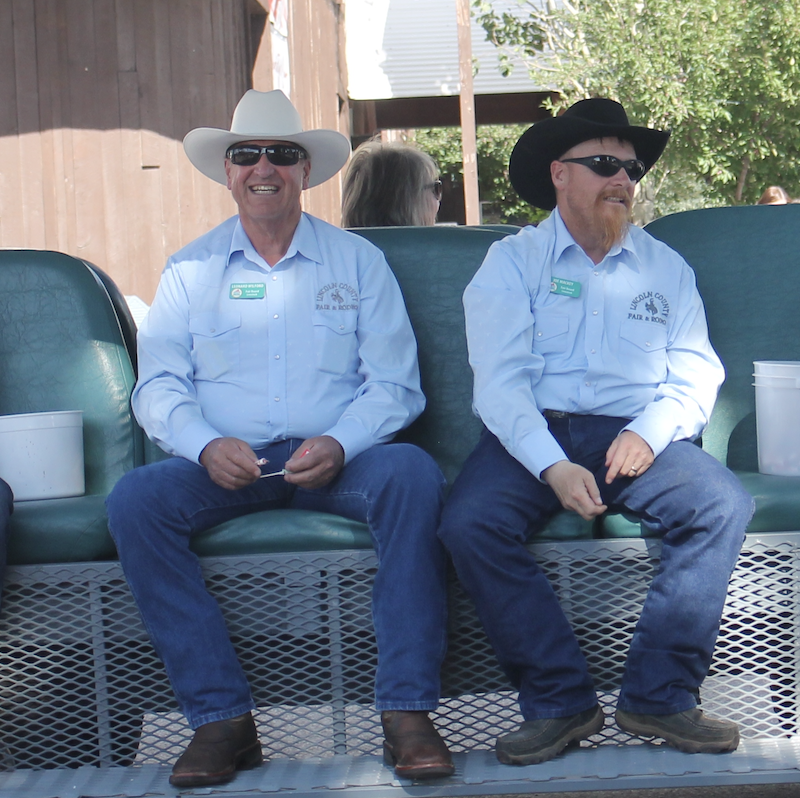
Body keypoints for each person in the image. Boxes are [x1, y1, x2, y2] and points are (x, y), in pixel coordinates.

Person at [105, 89, 453, 787]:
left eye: (282, 154)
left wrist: (341, 442)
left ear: (305, 170)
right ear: (228, 170)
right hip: (224, 465)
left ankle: (407, 711)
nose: (264, 167)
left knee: (412, 474)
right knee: (135, 501)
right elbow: (158, 388)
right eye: (247, 154)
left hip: (339, 462)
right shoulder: (189, 270)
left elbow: (396, 385)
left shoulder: (357, 262)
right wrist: (204, 445)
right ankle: (221, 721)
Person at [437, 98, 755, 766]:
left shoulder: (666, 267)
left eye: (631, 169)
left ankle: (660, 696)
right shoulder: (512, 261)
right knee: (469, 523)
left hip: (635, 434)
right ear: (560, 174)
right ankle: (559, 702)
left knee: (723, 502)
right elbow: (499, 384)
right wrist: (551, 464)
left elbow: (696, 373)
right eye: (605, 164)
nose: (622, 180)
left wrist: (651, 432)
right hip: (533, 433)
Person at [342, 139, 441, 227]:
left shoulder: (341, 242)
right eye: (436, 189)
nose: (438, 201)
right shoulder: (436, 242)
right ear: (407, 200)